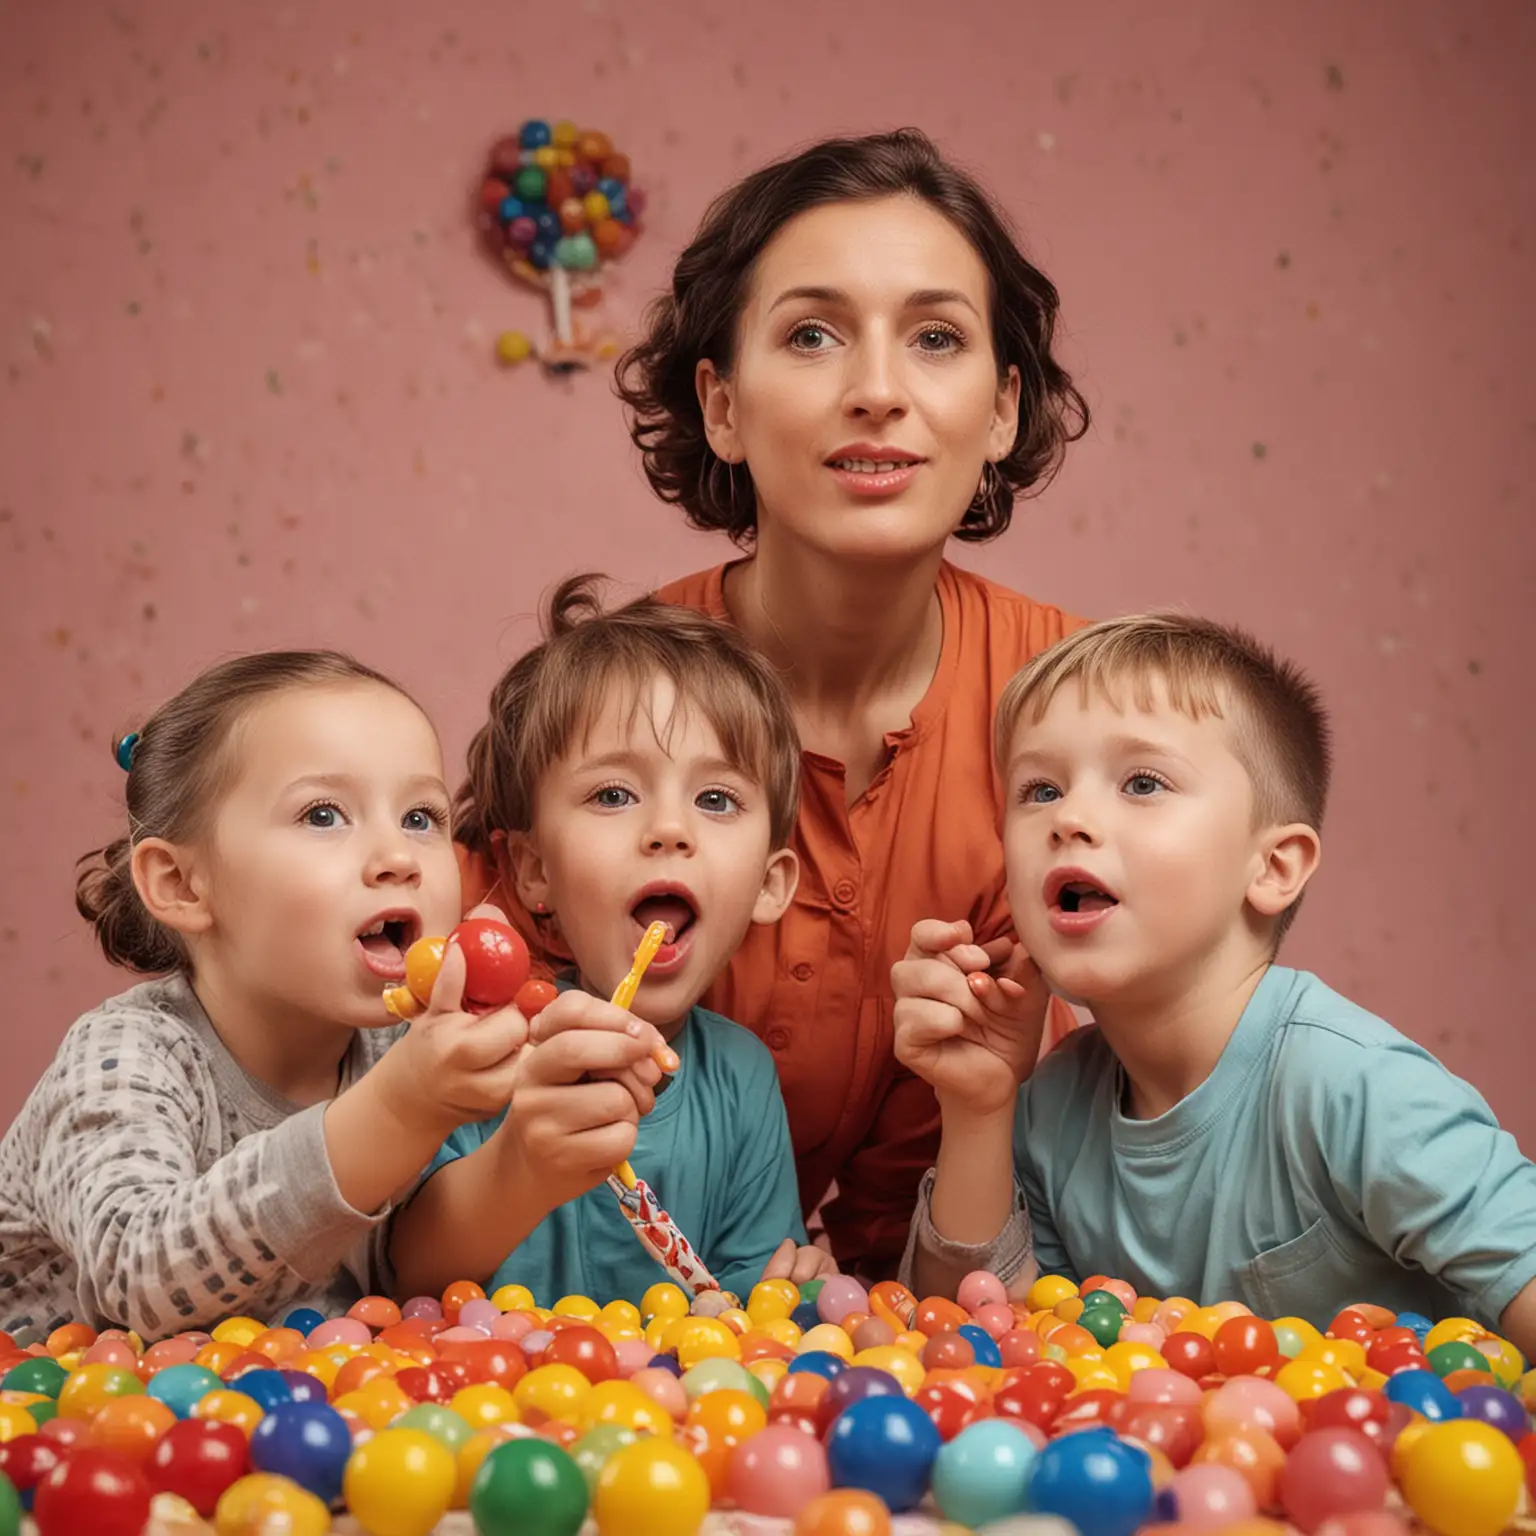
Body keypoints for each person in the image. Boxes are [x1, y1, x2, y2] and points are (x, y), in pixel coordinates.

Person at [461, 128, 1090, 1277]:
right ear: (723, 406)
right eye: (811, 335)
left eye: (936, 338)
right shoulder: (601, 708)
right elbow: (424, 1104)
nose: (879, 392)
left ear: (1002, 410)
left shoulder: (1075, 718)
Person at [893, 612, 1536, 1352]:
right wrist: (978, 1107)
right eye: (1039, 790)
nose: (1070, 818)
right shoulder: (1049, 1117)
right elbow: (969, 1357)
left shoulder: (1353, 1087)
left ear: (1273, 867)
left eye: (1142, 782)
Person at [0, 652, 526, 1339]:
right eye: (323, 814)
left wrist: (534, 1128)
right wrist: (397, 1109)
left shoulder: (401, 1047)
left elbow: (403, 1276)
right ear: (182, 884)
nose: (399, 856)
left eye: (420, 816)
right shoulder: (125, 1058)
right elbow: (137, 1281)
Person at [394, 579, 834, 1306]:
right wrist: (522, 1166)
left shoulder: (744, 1080)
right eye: (614, 795)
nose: (669, 829)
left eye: (716, 799)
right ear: (534, 869)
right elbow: (402, 1277)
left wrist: (787, 1294)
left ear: (771, 883)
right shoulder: (470, 1051)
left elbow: (751, 1306)